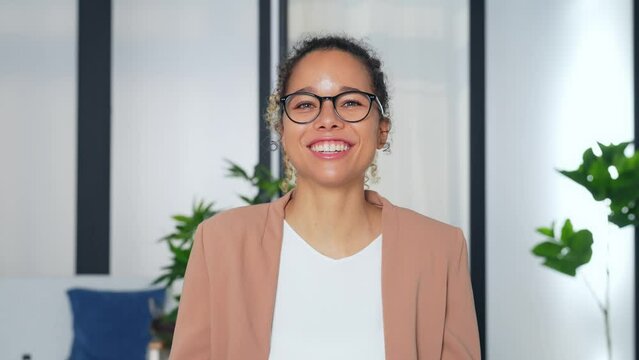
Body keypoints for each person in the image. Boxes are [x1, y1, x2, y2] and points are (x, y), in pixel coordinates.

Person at [170, 35, 480, 360]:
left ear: (382, 129)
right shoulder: (221, 242)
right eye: (305, 104)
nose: (328, 119)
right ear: (282, 131)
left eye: (350, 103)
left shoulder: (439, 248)